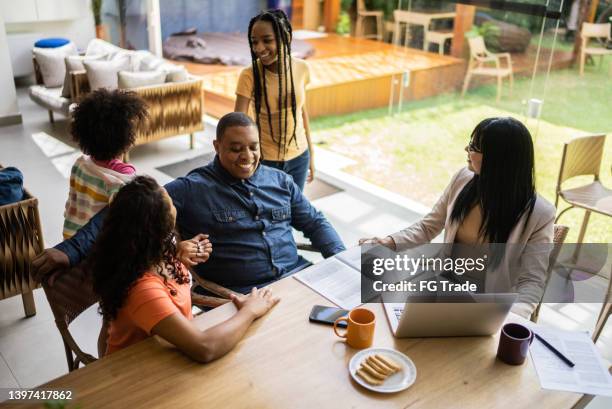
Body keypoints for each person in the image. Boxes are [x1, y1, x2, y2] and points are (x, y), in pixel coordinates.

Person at [33, 112, 345, 294]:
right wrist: (70, 250)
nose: (247, 157)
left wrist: (343, 260)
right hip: (244, 297)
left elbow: (315, 222)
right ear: (217, 146)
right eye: (236, 148)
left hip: (299, 280)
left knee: (370, 297)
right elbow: (126, 211)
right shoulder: (192, 188)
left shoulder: (279, 181)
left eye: (253, 147)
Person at [360, 117, 555, 317]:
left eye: (474, 146)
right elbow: (428, 227)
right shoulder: (463, 179)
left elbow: (532, 281)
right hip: (440, 285)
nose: (466, 149)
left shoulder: (540, 214)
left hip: (487, 306)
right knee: (378, 305)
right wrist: (389, 242)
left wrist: (510, 320)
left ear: (498, 159)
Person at [88, 175, 278, 360]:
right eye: (170, 204)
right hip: (138, 378)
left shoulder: (144, 255)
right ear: (160, 229)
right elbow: (205, 347)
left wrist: (179, 258)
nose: (174, 204)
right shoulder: (142, 289)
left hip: (168, 358)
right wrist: (250, 311)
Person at [235, 9, 314, 191]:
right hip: (265, 160)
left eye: (267, 40)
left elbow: (302, 112)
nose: (259, 48)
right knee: (268, 215)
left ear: (285, 37)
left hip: (299, 157)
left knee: (295, 213)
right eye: (254, 42)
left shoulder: (302, 68)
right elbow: (237, 124)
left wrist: (311, 154)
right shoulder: (249, 75)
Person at [62, 89, 146, 239]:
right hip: (96, 250)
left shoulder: (80, 164)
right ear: (126, 140)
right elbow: (124, 225)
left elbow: (70, 203)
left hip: (70, 239)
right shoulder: (124, 178)